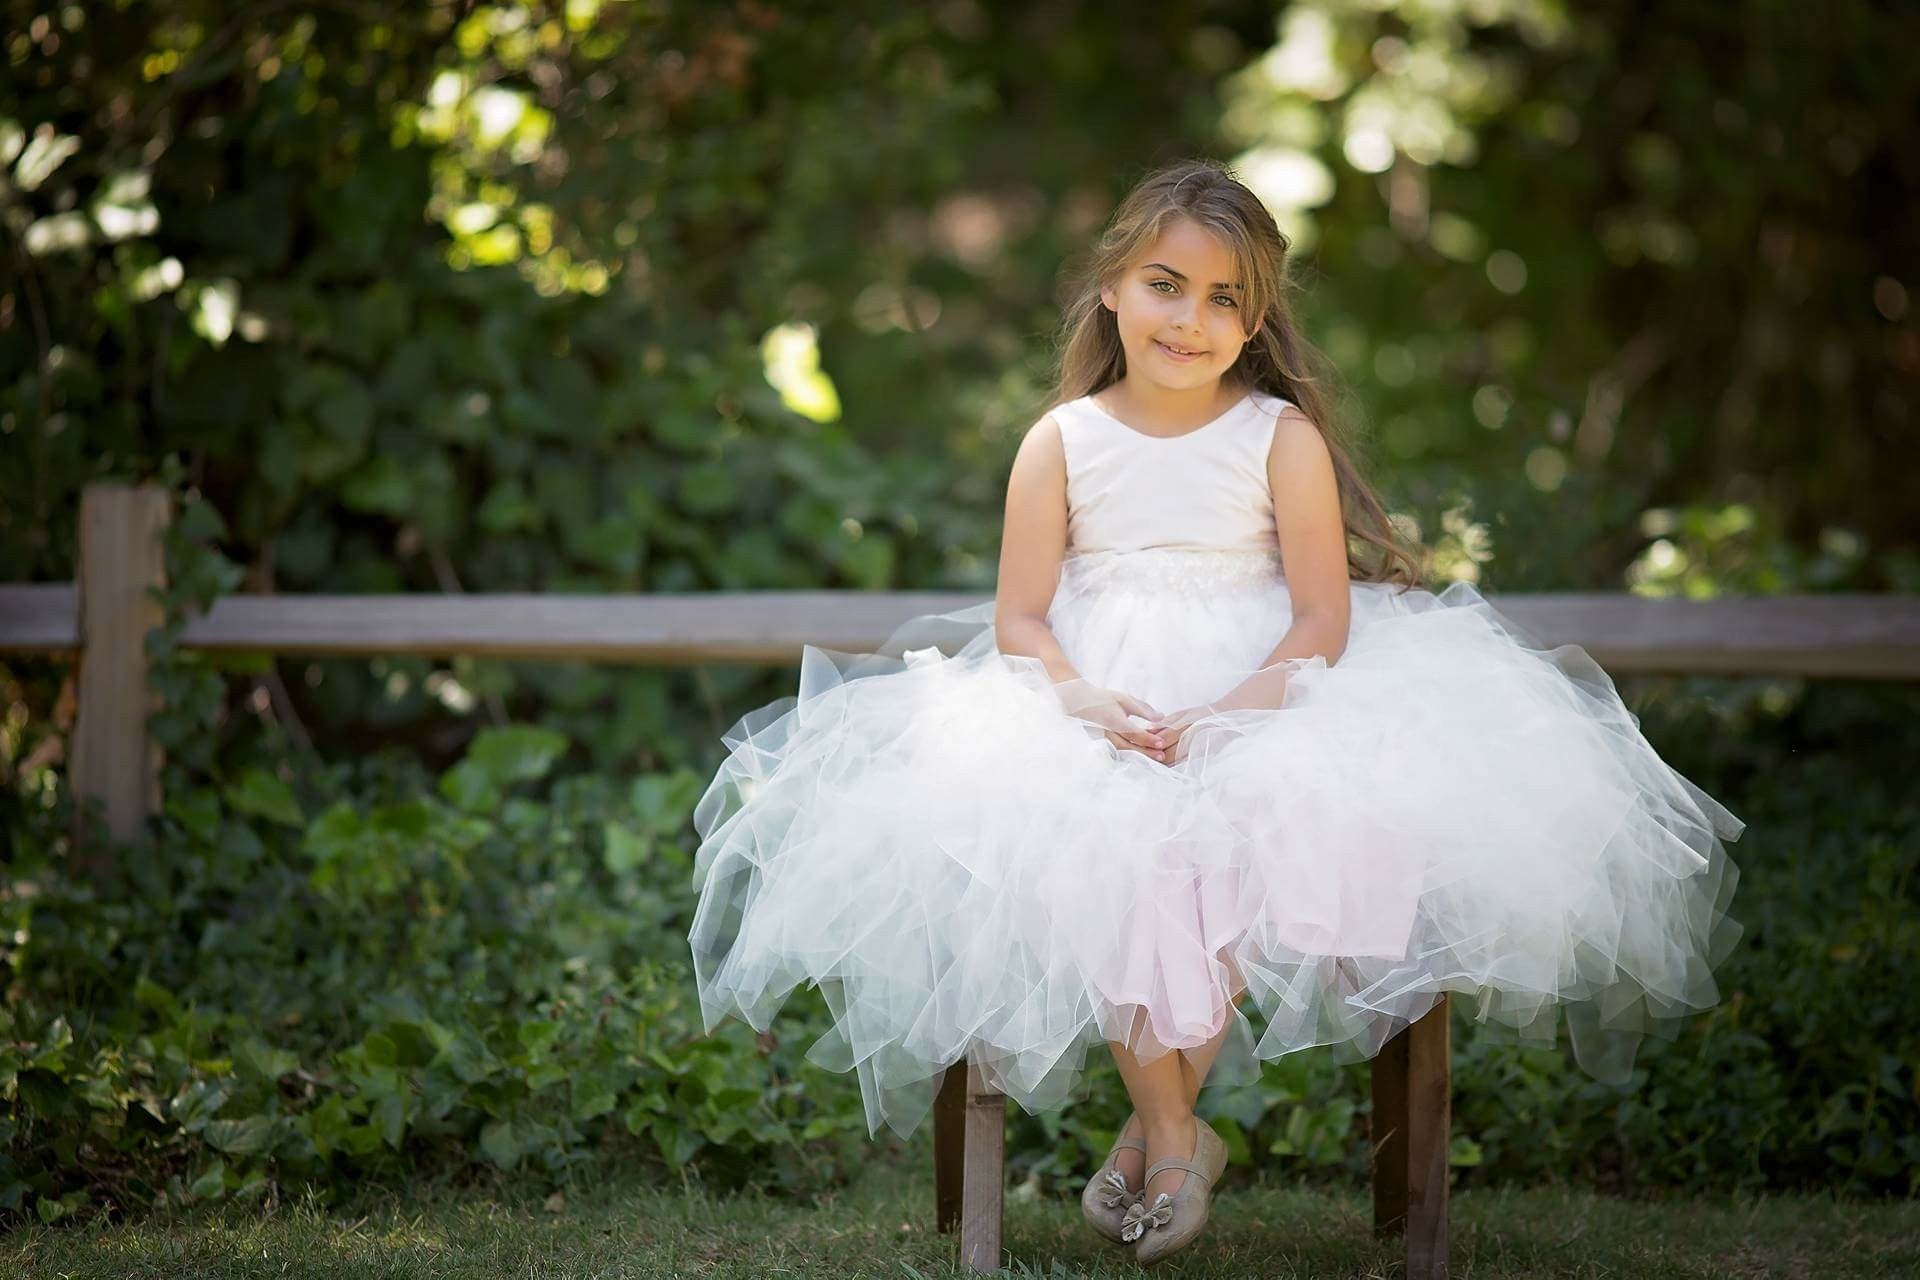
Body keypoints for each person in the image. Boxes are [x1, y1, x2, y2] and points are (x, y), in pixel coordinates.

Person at [685, 158, 1744, 1264]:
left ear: (1255, 318)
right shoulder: (1061, 441)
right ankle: (1181, 1133)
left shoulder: (1276, 436)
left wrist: (1233, 714)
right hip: (1096, 699)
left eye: (1224, 298)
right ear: (1110, 289)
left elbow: (1323, 617)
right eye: (1165, 285)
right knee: (1103, 845)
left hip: (1267, 689)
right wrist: (1085, 699)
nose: (1191, 319)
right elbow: (1023, 619)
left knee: (1228, 844)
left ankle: (1157, 1137)